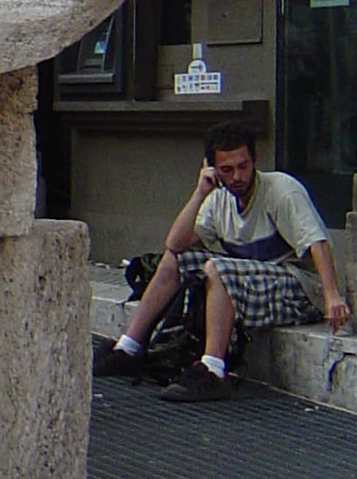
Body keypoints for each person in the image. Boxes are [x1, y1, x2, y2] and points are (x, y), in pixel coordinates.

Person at [95, 118, 351, 401]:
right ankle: (129, 348)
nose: (238, 177)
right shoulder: (218, 198)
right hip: (250, 279)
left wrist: (331, 297)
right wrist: (200, 192)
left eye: (243, 166)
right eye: (227, 170)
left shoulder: (282, 190)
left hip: (298, 287)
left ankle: (213, 370)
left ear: (255, 160)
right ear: (213, 168)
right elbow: (175, 244)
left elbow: (317, 243)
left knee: (217, 268)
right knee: (173, 261)